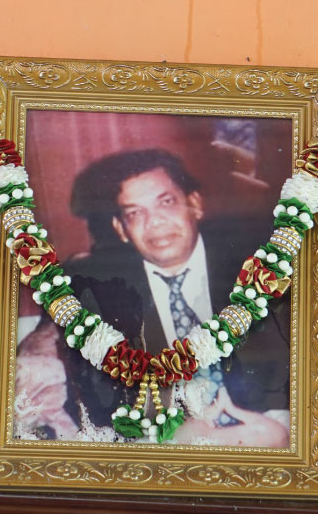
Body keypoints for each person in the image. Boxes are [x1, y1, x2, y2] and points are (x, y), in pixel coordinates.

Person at [51, 149, 292, 447]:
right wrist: (173, 439)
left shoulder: (260, 265)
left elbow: (295, 373)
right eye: (135, 213)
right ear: (121, 229)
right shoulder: (95, 291)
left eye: (166, 202)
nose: (154, 222)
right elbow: (98, 406)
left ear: (194, 205)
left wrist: (278, 431)